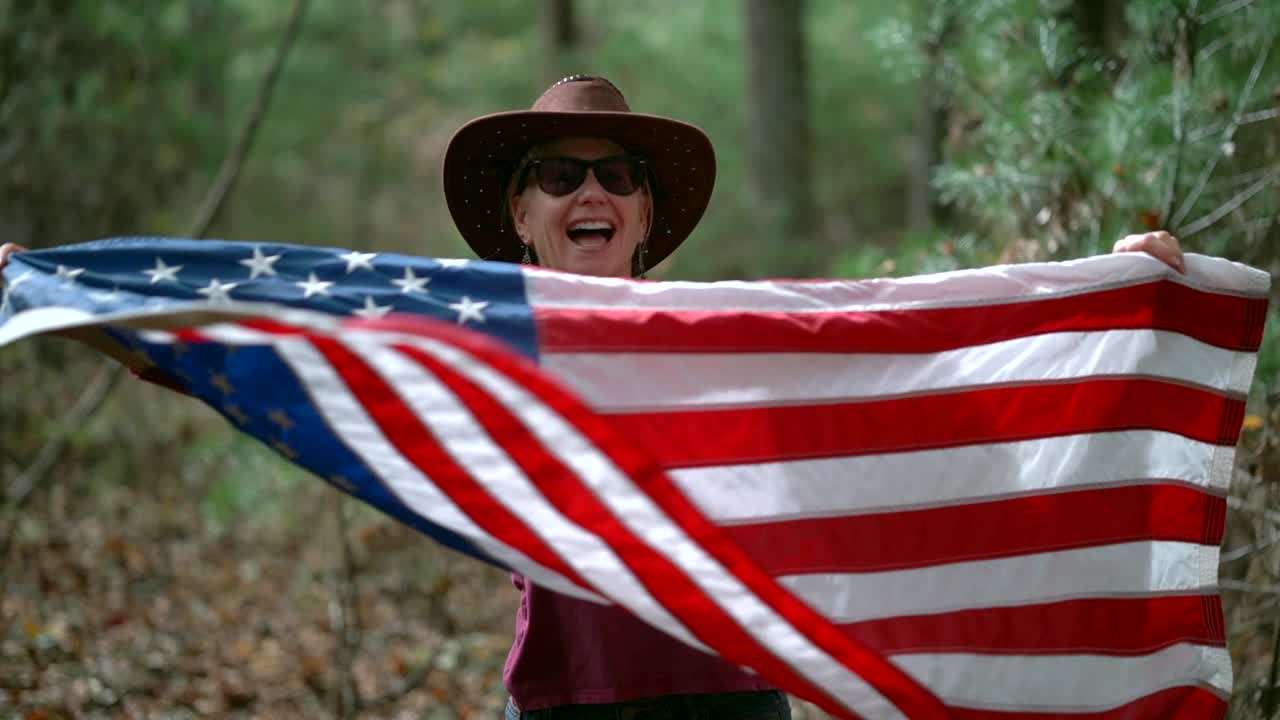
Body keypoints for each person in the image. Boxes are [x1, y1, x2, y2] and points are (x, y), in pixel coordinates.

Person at [1, 74, 1190, 720]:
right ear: (517, 217)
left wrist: (1116, 287)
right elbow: (231, 345)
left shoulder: (732, 333)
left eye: (613, 177)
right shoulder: (475, 339)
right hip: (567, 703)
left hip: (732, 700)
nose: (590, 190)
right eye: (557, 175)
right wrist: (55, 291)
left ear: (643, 219)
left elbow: (916, 357)